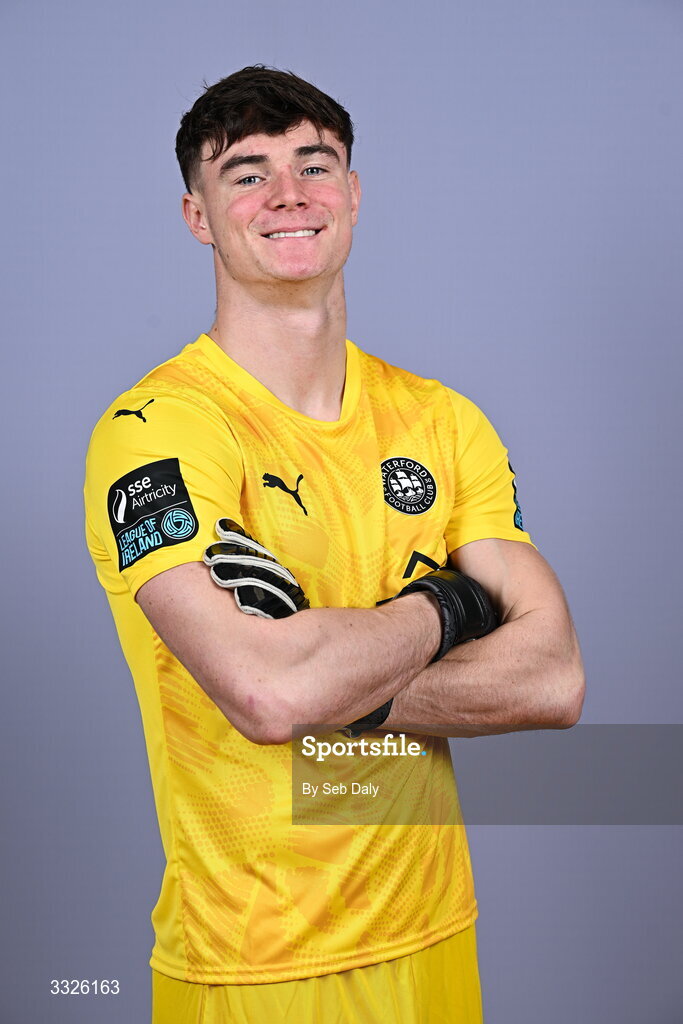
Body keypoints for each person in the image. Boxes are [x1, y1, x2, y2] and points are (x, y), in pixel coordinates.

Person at [84, 65, 584, 1024]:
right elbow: (269, 695)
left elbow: (552, 679)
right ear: (197, 214)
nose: (288, 196)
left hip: (436, 934)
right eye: (247, 173)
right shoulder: (153, 434)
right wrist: (454, 606)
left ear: (352, 194)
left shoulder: (442, 421)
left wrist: (333, 672)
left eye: (315, 165)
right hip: (253, 965)